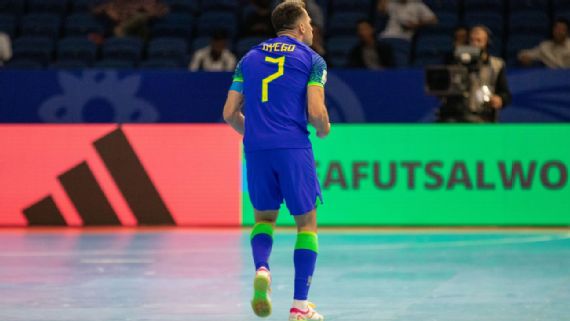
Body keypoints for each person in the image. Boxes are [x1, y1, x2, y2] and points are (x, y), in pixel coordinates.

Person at [222, 2, 330, 321]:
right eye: (309, 22)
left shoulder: (248, 58)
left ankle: (263, 270)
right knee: (306, 225)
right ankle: (299, 306)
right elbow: (315, 112)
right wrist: (324, 128)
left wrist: (255, 132)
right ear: (299, 27)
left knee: (264, 219)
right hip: (293, 147)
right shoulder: (312, 60)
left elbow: (229, 113)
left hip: (256, 149)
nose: (312, 27)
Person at [438, 25, 511, 123]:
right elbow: (440, 87)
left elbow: (505, 93)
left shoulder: (496, 65)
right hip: (455, 117)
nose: (474, 44)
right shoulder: (455, 61)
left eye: (479, 40)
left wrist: (500, 99)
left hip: (483, 117)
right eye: (472, 40)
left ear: (487, 43)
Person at [92, 0, 168, 42]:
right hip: (121, 33)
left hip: (141, 31)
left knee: (140, 17)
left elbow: (163, 11)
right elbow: (96, 11)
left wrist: (151, 12)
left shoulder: (147, 3)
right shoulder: (116, 4)